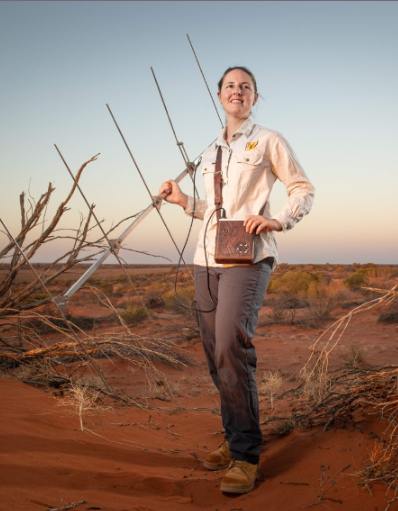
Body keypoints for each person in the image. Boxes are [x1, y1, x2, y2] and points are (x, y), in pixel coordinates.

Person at [158, 66, 314, 494]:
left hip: (248, 258)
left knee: (231, 345)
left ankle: (246, 455)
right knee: (214, 355)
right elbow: (211, 207)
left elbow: (302, 188)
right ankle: (233, 439)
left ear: (255, 97)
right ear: (219, 95)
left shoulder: (268, 140)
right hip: (205, 258)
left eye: (245, 87)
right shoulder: (210, 150)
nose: (237, 92)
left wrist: (277, 219)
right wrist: (182, 200)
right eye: (230, 86)